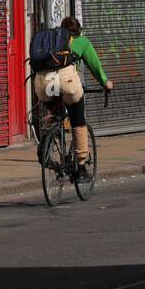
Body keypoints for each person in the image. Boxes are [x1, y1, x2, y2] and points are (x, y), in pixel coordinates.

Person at [32, 16, 113, 182]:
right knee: (78, 121)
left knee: (57, 112)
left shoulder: (51, 40)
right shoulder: (82, 42)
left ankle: (47, 139)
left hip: (43, 84)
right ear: (79, 30)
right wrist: (105, 83)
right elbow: (95, 66)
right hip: (68, 83)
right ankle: (81, 168)